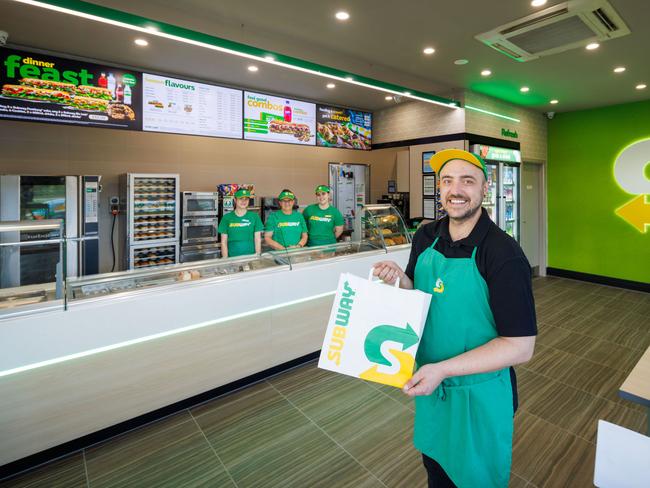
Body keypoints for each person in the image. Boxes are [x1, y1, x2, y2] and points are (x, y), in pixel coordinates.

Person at [373, 149, 537, 488]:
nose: (455, 190)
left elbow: (520, 347)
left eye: (467, 180)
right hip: (432, 386)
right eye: (447, 181)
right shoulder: (425, 236)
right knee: (436, 470)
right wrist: (398, 280)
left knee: (475, 478)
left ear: (484, 189)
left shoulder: (503, 253)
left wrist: (443, 369)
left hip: (479, 394)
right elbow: (416, 292)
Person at [218, 188, 263, 258]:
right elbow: (223, 242)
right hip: (232, 258)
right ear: (235, 200)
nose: (244, 201)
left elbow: (257, 239)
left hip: (251, 257)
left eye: (246, 199)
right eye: (241, 198)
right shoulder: (226, 218)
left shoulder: (255, 217)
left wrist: (257, 257)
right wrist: (225, 260)